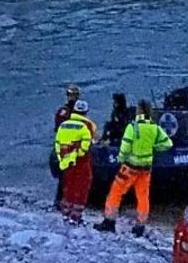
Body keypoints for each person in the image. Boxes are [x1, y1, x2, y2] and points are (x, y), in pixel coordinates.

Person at [94, 100, 173, 237]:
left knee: (116, 192)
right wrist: (154, 148)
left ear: (139, 111)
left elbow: (125, 147)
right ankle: (140, 226)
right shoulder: (154, 128)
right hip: (146, 168)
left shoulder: (133, 127)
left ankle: (109, 221)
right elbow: (168, 144)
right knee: (143, 196)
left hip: (130, 167)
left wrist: (120, 158)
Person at [54, 100, 96, 225]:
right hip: (81, 161)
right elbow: (88, 142)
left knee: (68, 186)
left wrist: (61, 157)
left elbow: (57, 142)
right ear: (85, 112)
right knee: (82, 187)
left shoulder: (64, 125)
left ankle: (65, 213)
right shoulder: (87, 125)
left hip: (66, 160)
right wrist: (79, 153)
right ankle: (75, 216)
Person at [51, 84, 82, 210]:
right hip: (66, 145)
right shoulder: (64, 112)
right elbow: (60, 129)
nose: (73, 98)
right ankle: (59, 201)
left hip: (76, 145)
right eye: (71, 95)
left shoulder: (78, 111)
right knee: (65, 174)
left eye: (75, 95)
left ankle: (70, 200)